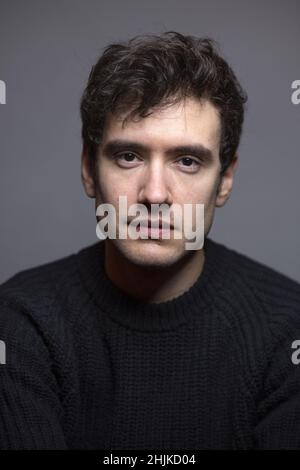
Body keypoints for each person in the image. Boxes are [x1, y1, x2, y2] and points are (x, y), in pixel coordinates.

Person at [1, 31, 300, 450]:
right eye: (129, 156)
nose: (155, 194)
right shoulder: (20, 324)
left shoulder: (289, 331)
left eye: (187, 161)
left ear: (225, 180)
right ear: (89, 170)